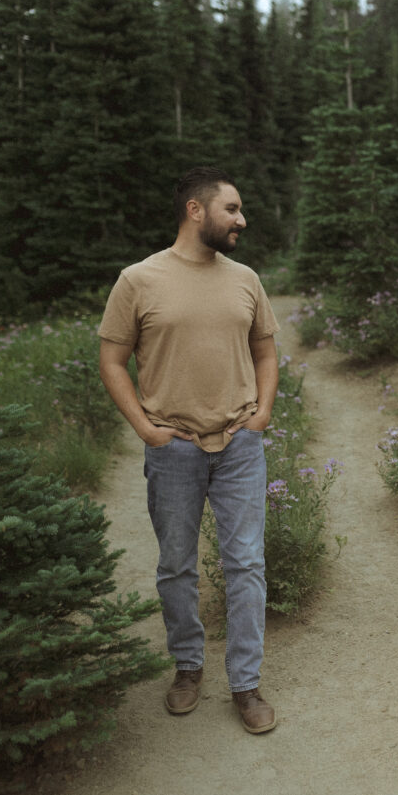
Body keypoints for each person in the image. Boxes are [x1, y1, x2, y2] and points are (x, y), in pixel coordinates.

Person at [98, 167, 280, 733]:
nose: (241, 219)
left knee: (245, 564)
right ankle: (187, 667)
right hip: (171, 446)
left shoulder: (246, 278)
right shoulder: (138, 280)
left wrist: (262, 413)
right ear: (196, 211)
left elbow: (266, 352)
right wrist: (145, 430)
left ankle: (246, 686)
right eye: (232, 208)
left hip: (239, 446)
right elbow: (112, 360)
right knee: (176, 566)